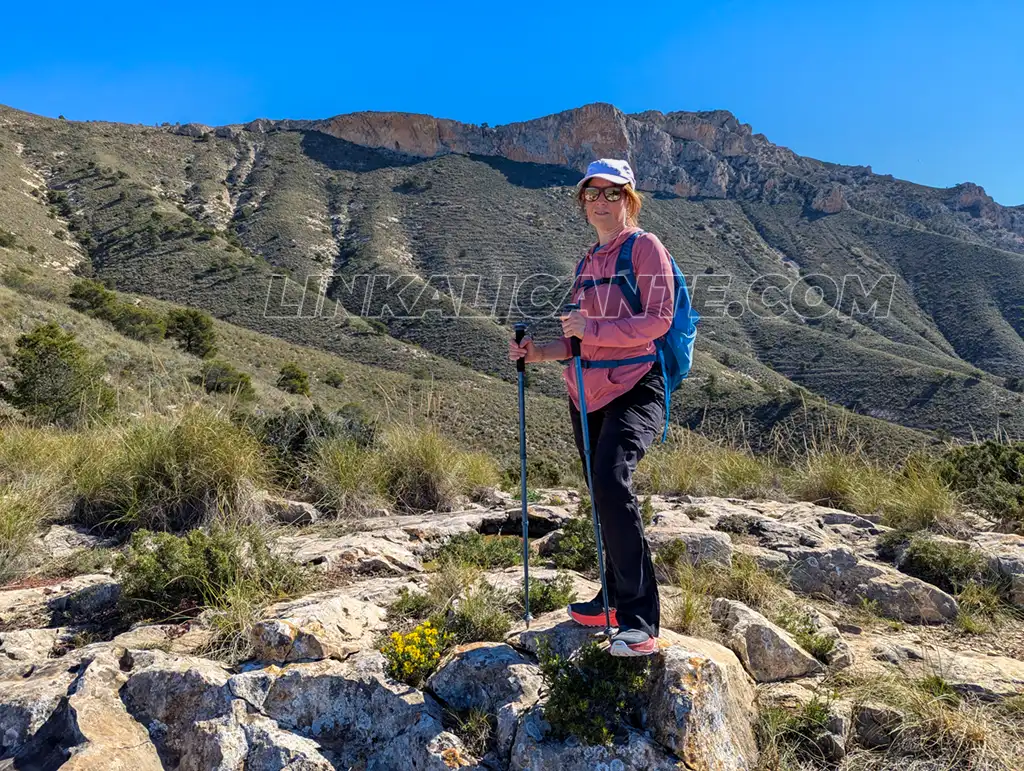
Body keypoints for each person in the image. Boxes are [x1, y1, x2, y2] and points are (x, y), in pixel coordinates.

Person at [508, 158, 674, 657]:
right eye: (592, 193)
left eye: (612, 193)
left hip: (636, 387)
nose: (601, 202)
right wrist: (537, 352)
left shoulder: (645, 248)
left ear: (630, 199)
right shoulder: (587, 263)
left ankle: (640, 621)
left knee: (611, 481)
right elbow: (578, 343)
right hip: (586, 395)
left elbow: (659, 320)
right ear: (582, 202)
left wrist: (592, 331)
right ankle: (612, 598)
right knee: (601, 494)